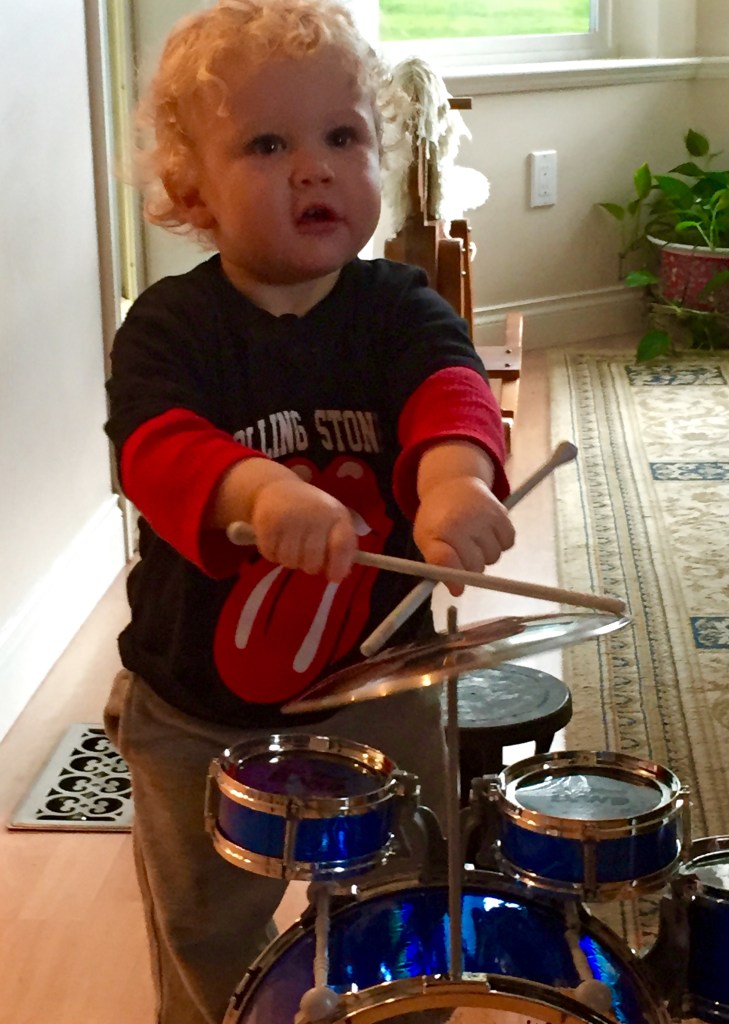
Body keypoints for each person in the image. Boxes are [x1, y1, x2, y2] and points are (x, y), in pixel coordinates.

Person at [103, 1, 514, 1022]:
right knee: (209, 930)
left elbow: (449, 393)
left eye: (342, 136)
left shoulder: (401, 307)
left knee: (410, 904)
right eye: (267, 143)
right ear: (192, 189)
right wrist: (259, 488)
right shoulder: (171, 326)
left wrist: (455, 480)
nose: (314, 168)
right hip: (197, 715)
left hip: (380, 696)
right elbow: (157, 451)